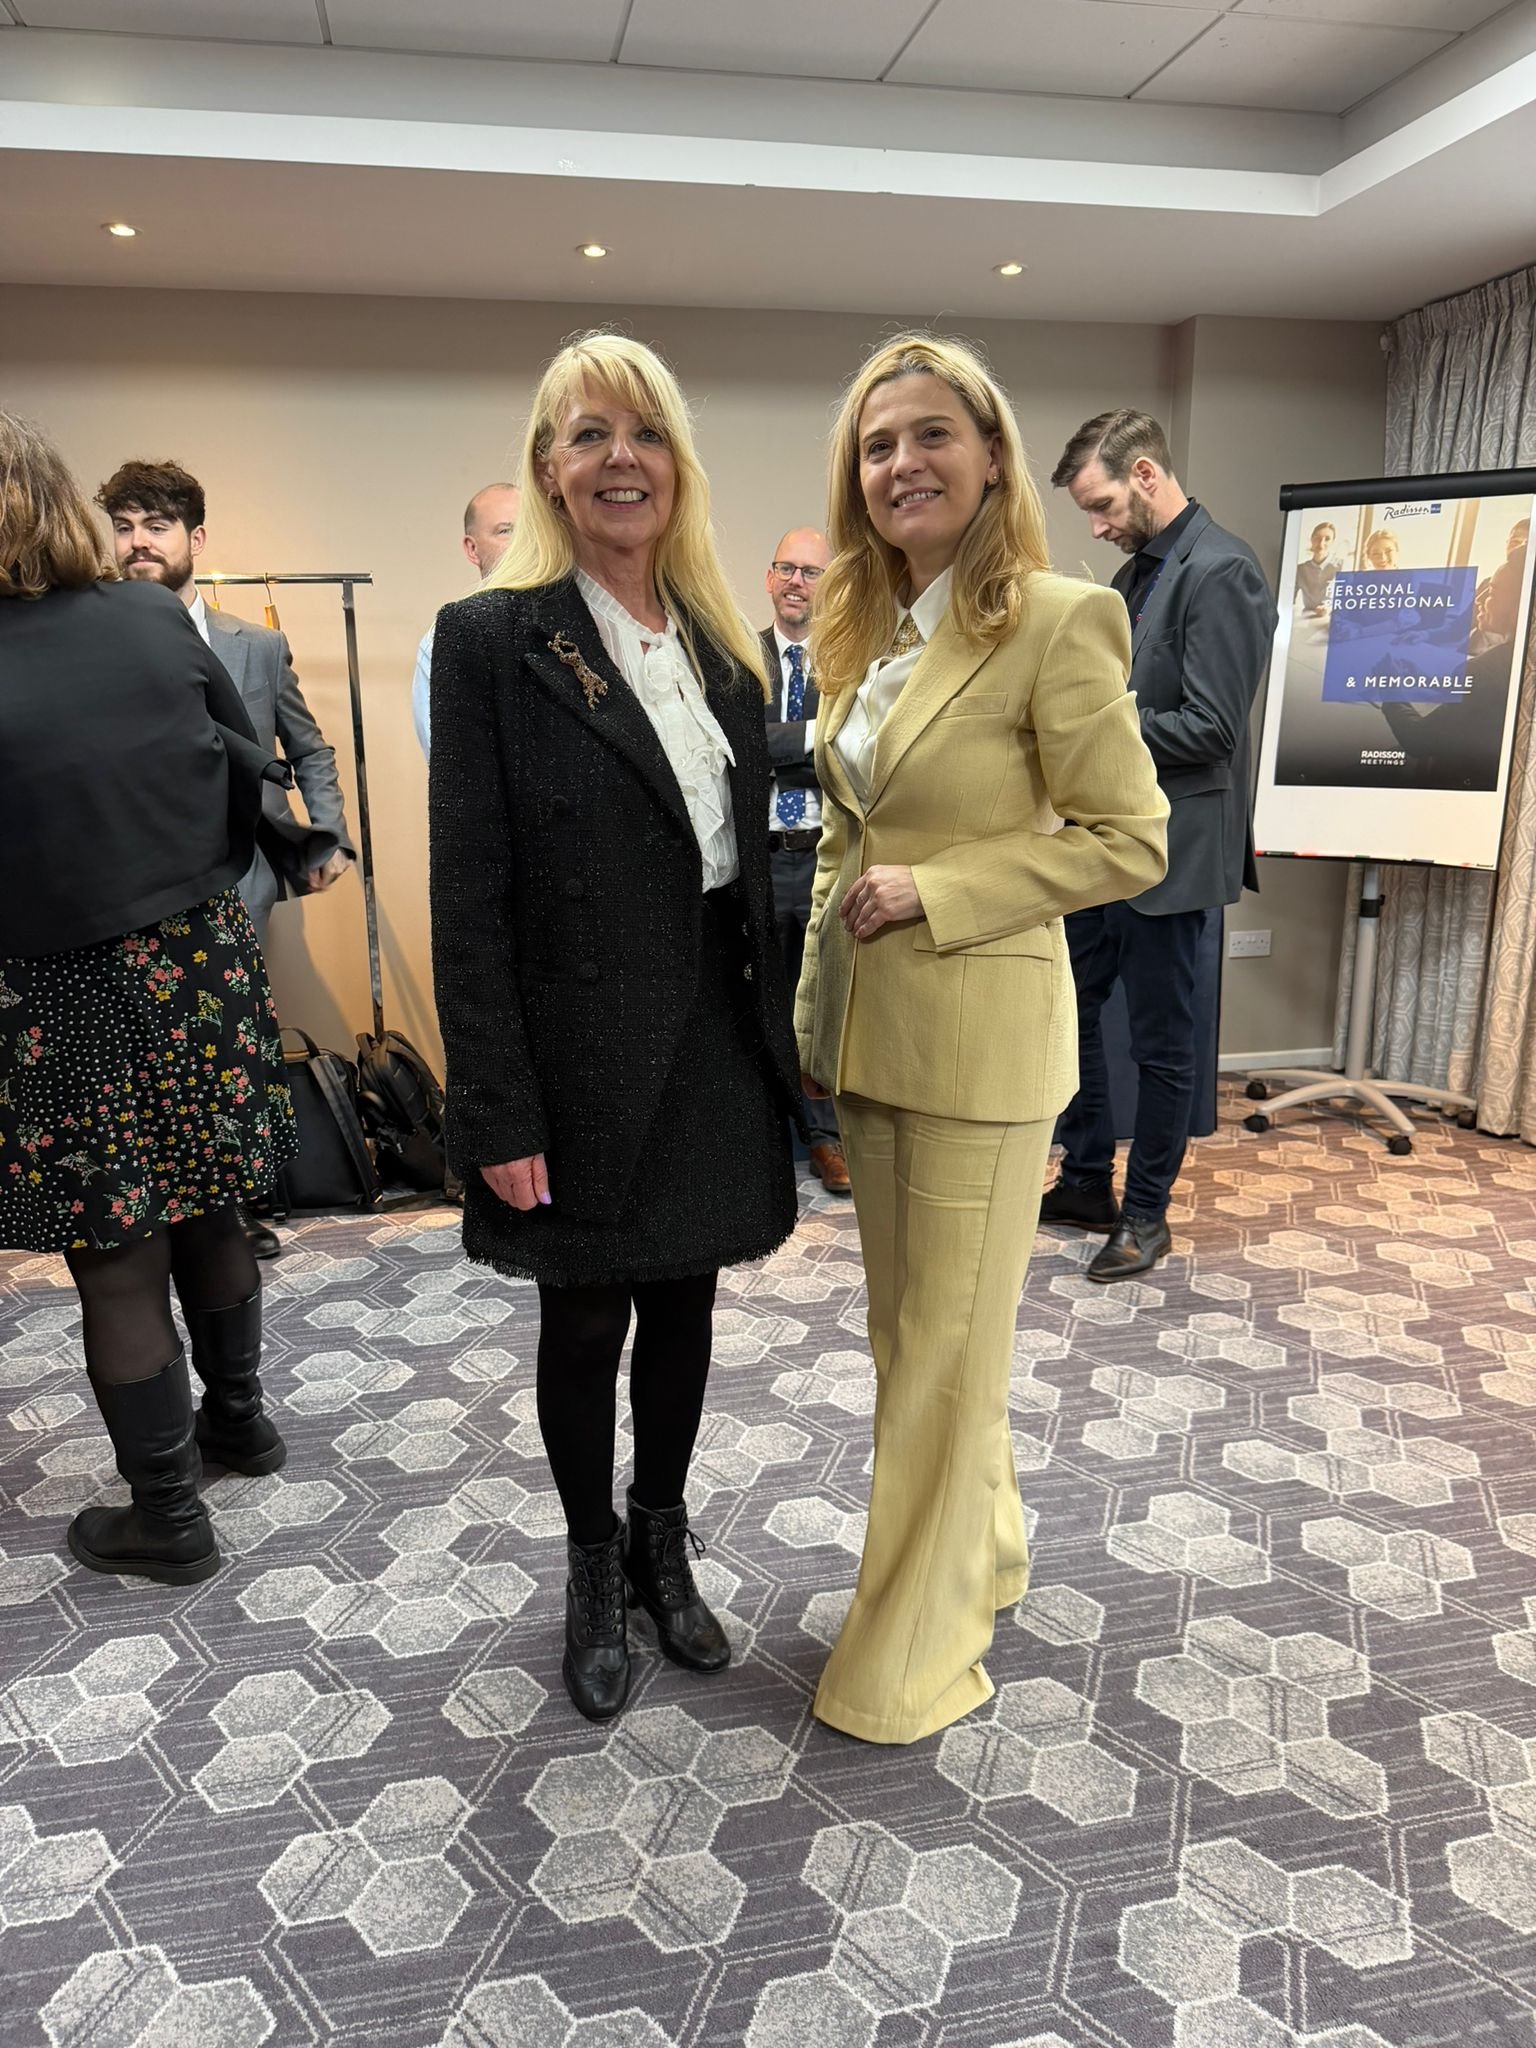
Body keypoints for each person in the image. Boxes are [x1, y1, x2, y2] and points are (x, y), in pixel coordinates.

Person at [796, 338, 1167, 1744]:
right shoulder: (869, 632)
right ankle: (988, 1546)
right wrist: (817, 1012)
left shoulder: (1063, 620)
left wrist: (943, 890)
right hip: (877, 1040)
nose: (903, 463)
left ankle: (913, 1647)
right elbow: (843, 842)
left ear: (994, 454)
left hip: (984, 1045)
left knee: (942, 1349)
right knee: (921, 1339)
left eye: (932, 434)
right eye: (878, 444)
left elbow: (1130, 838)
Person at [429, 335, 801, 1723]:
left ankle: (660, 1536)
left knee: (688, 1303)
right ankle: (592, 1562)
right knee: (587, 1321)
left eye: (644, 434)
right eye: (589, 435)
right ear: (548, 469)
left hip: (710, 1030)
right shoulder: (494, 640)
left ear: (678, 466)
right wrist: (496, 1105)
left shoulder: (723, 649)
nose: (620, 459)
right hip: (573, 1048)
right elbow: (468, 894)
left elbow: (742, 866)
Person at [0, 414, 298, 1586]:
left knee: (117, 1250)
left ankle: (167, 1513)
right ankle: (242, 1421)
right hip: (196, 954)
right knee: (210, 1203)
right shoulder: (146, 615)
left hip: (57, 976)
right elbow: (241, 764)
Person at [98, 460, 354, 1259]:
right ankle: (158, 1213)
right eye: (124, 527)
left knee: (229, 1045)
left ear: (196, 538)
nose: (138, 543)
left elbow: (309, 747)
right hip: (125, 878)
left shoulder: (258, 645)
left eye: (157, 526)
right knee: (140, 1047)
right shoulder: (90, 640)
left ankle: (232, 1209)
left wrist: (330, 834)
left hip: (237, 871)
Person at [1046, 410, 1275, 1281]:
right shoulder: (1135, 573)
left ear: (1145, 474)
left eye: (1101, 505)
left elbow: (1212, 728)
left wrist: (1094, 727)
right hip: (1104, 845)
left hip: (1174, 853)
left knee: (1161, 1043)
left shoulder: (1223, 570)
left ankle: (1146, 1215)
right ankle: (1084, 1180)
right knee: (1068, 1010)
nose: (1096, 527)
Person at [760, 527, 849, 1196]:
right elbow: (738, 744)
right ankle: (759, 1137)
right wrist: (817, 737)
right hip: (760, 863)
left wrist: (783, 744)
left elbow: (857, 749)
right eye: (786, 568)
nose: (797, 582)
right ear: (769, 578)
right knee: (758, 999)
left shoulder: (849, 663)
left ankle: (825, 1139)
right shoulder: (737, 660)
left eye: (812, 572)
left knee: (820, 1004)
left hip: (824, 858)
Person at [412, 482, 521, 760]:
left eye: (531, 528)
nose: (523, 541)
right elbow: (452, 763)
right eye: (505, 531)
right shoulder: (447, 640)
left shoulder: (577, 619)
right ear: (472, 549)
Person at [1296, 522, 1342, 614]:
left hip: (1333, 617)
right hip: (1307, 617)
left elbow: (1346, 600)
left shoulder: (1341, 567)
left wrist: (1329, 608)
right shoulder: (1300, 569)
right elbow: (1288, 600)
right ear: (1311, 540)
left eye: (1327, 539)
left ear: (1333, 542)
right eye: (1317, 538)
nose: (1321, 543)